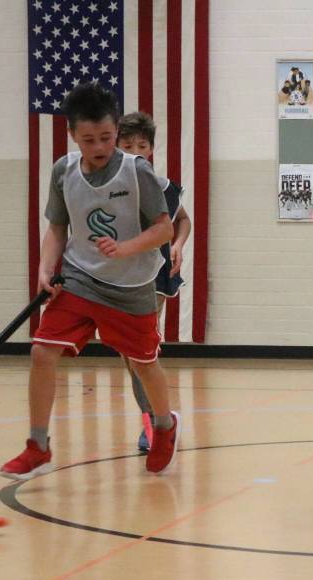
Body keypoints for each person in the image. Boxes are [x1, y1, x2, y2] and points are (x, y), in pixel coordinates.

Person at [0, 82, 180, 480]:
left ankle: (165, 425)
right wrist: (45, 268)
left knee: (144, 364)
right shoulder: (63, 171)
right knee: (42, 352)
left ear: (116, 129)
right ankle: (38, 445)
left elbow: (164, 229)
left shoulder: (137, 171)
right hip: (80, 277)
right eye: (89, 139)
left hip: (130, 285)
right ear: (72, 135)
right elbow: (57, 227)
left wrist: (126, 247)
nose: (99, 146)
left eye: (106, 137)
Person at [116, 111, 193, 453]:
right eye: (127, 145)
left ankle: (154, 422)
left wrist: (177, 245)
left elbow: (184, 221)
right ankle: (156, 417)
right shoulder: (107, 187)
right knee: (129, 353)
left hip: (155, 273)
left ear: (151, 149)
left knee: (140, 350)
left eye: (141, 145)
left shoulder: (162, 187)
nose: (135, 151)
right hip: (117, 274)